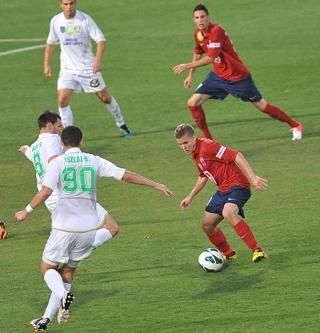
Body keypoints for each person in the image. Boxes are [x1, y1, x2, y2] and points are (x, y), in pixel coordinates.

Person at [15, 125, 173, 331]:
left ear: (62, 144)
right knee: (68, 272)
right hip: (88, 229)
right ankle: (46, 319)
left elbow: (45, 192)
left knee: (47, 268)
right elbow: (125, 175)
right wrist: (155, 184)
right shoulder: (94, 160)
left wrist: (26, 210)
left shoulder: (58, 162)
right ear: (82, 141)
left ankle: (63, 296)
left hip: (64, 227)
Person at [18, 111, 120, 329]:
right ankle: (66, 288)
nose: (60, 127)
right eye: (57, 124)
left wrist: (26, 149)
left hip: (55, 202)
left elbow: (38, 158)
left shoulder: (35, 146)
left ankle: (44, 320)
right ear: (49, 125)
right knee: (110, 228)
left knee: (62, 270)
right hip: (68, 198)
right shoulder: (55, 140)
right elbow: (57, 162)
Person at [172, 4, 303, 141]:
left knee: (262, 106)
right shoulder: (198, 34)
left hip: (238, 77)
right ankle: (210, 142)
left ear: (208, 17)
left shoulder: (216, 31)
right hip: (218, 76)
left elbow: (211, 57)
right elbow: (198, 52)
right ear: (193, 20)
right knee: (193, 102)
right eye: (197, 18)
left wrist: (187, 65)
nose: (200, 20)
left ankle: (295, 125)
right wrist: (191, 74)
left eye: (203, 17)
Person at [175, 123, 268, 263]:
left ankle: (257, 250)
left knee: (228, 212)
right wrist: (190, 196)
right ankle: (228, 254)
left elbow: (236, 155)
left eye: (186, 142)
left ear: (194, 138)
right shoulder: (195, 153)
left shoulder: (207, 146)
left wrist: (252, 177)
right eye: (180, 144)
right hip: (223, 190)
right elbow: (203, 175)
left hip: (238, 185)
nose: (183, 147)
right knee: (207, 225)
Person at [44, 0, 132, 138]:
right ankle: (68, 134)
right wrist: (46, 64)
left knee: (104, 97)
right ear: (60, 4)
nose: (69, 7)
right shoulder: (56, 21)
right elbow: (50, 43)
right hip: (67, 69)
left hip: (87, 69)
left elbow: (101, 40)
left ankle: (121, 123)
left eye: (71, 3)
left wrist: (97, 60)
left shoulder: (84, 20)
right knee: (62, 100)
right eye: (66, 4)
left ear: (76, 3)